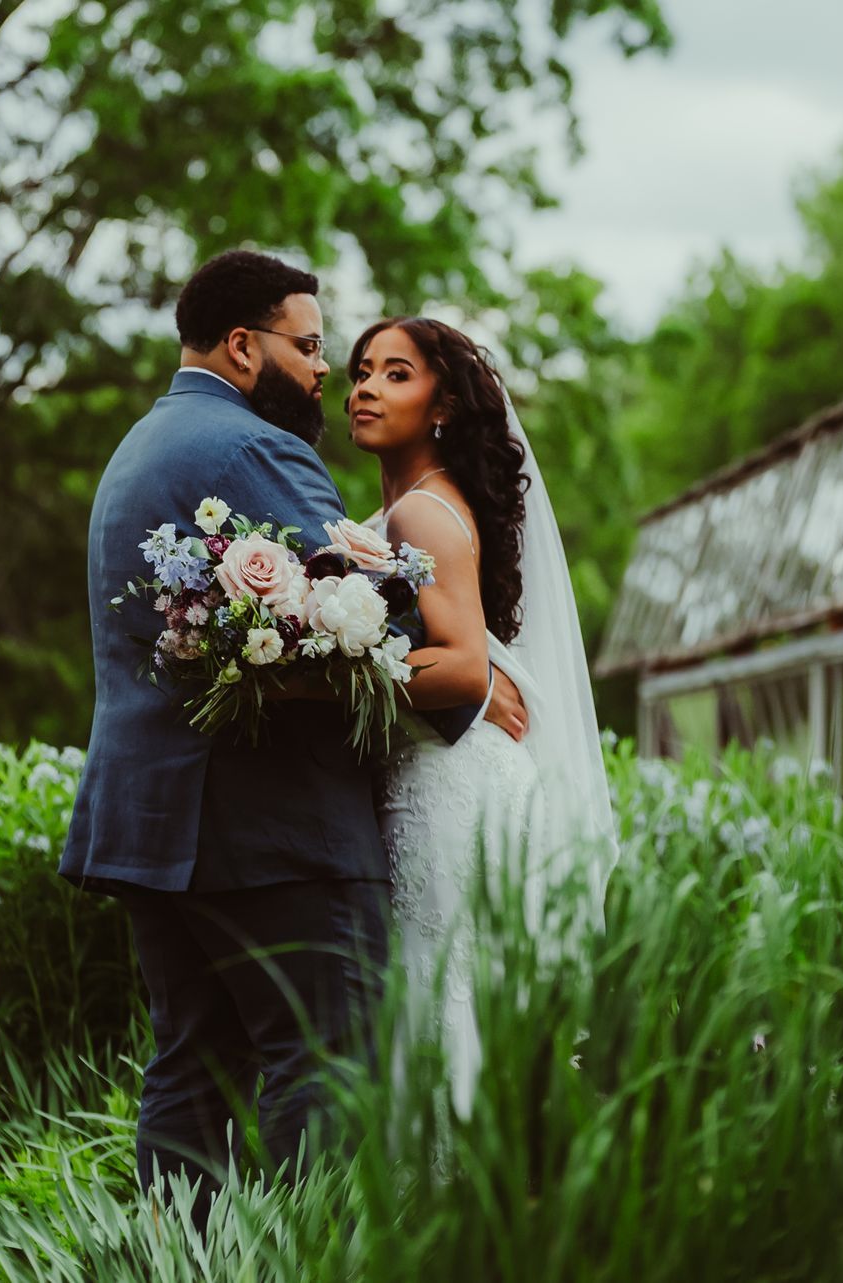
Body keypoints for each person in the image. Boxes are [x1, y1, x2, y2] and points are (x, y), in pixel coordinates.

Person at [57, 252, 525, 1203]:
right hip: (268, 831)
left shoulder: (139, 448)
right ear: (243, 346)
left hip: (156, 829)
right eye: (311, 348)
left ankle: (178, 1269)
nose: (325, 372)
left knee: (194, 1071)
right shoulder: (255, 450)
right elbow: (379, 620)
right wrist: (477, 680)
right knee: (329, 1062)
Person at [346, 316, 617, 1118]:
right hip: (463, 776)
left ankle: (449, 1208)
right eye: (362, 370)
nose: (365, 386)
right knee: (456, 988)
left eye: (396, 373)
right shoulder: (416, 510)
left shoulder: (421, 514)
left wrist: (332, 674)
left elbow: (464, 665)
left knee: (441, 990)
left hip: (446, 787)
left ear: (443, 407)